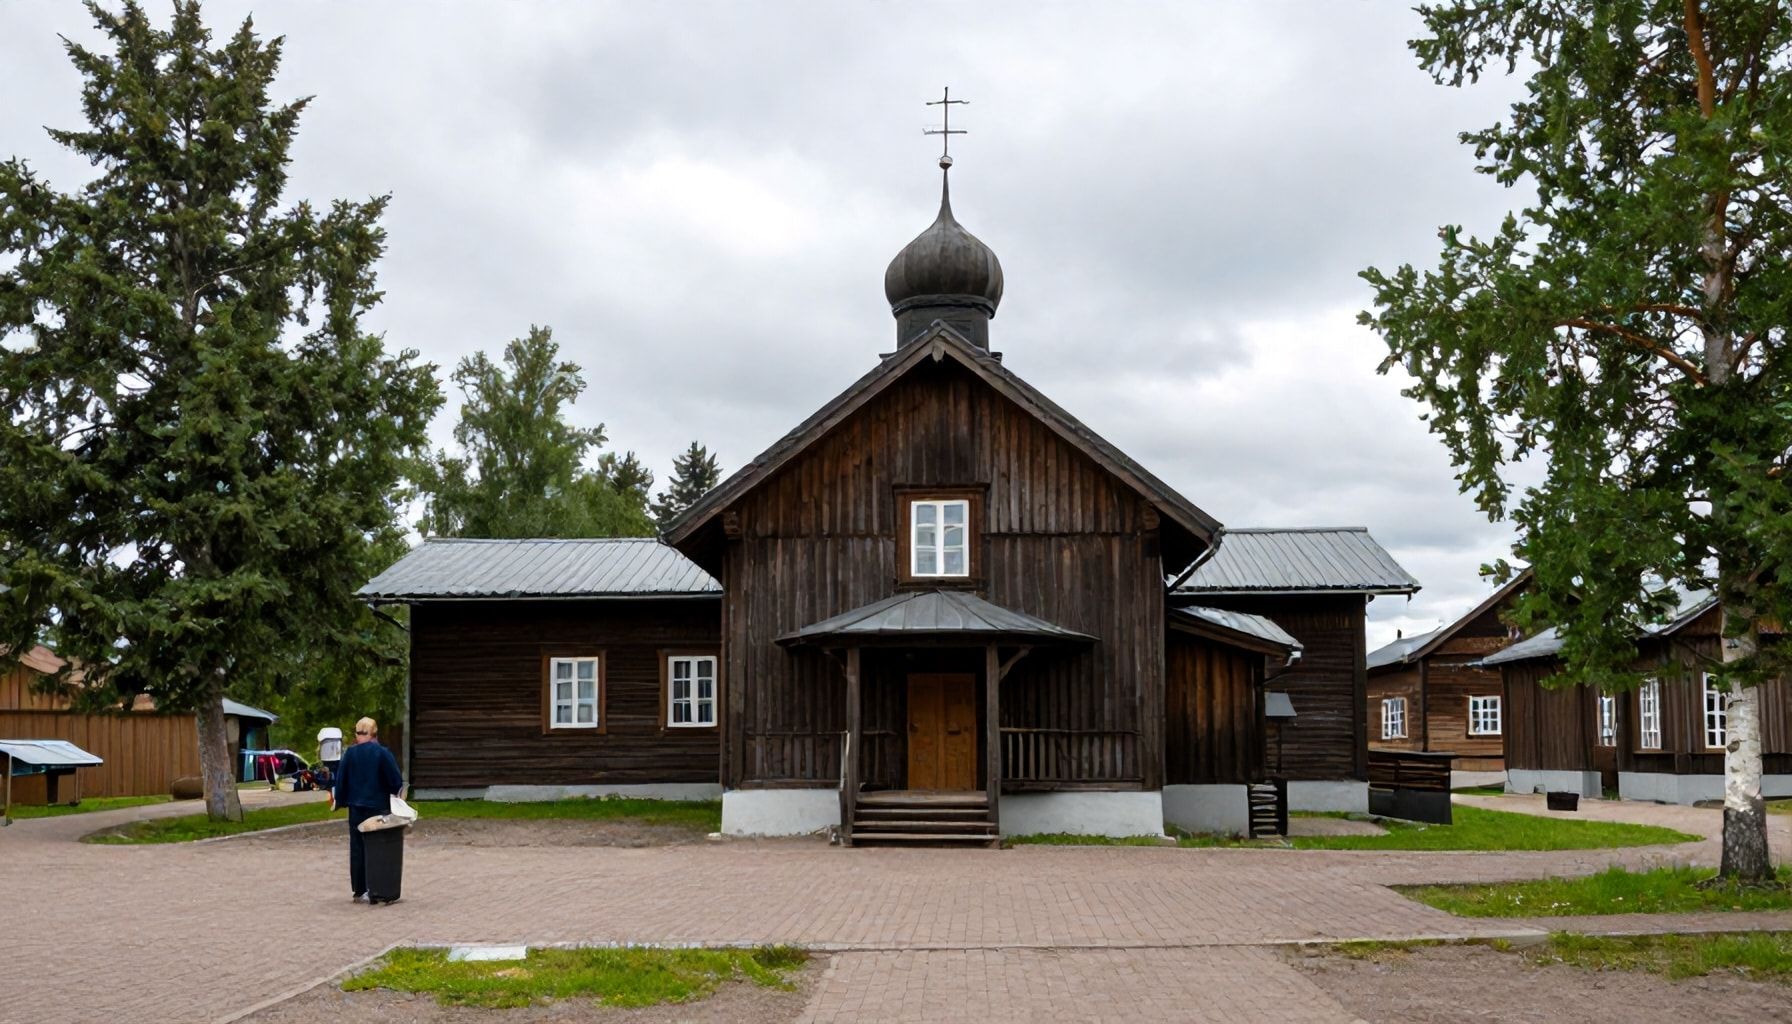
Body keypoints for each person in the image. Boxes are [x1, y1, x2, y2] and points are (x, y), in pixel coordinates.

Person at [331, 716, 404, 904]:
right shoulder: (382, 753)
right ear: (374, 734)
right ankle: (377, 887)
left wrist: (341, 800)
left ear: (357, 734)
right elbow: (395, 781)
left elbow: (341, 780)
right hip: (377, 806)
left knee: (357, 848)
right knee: (378, 847)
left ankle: (359, 889)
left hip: (356, 807)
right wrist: (395, 792)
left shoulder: (349, 754)